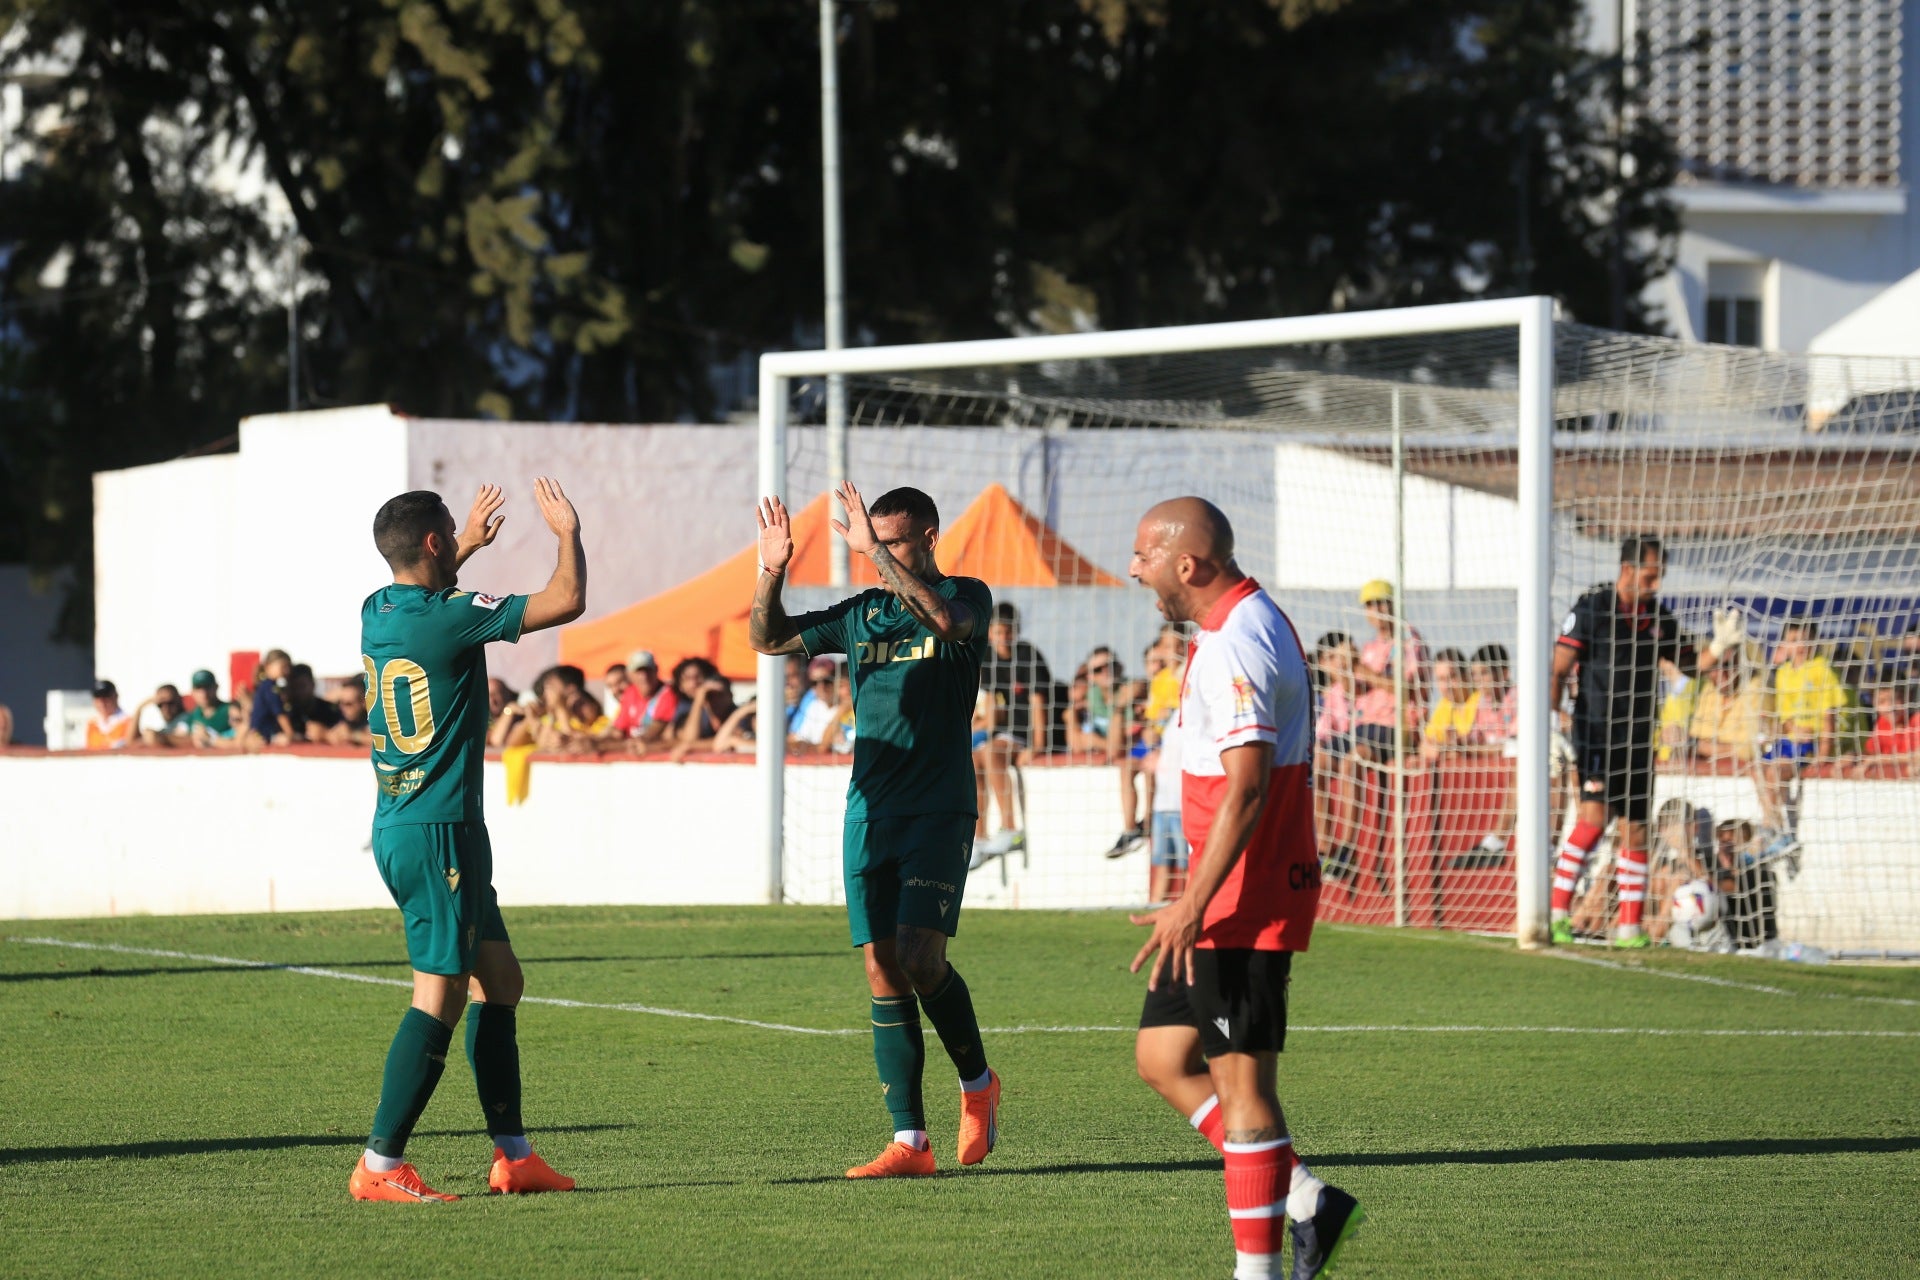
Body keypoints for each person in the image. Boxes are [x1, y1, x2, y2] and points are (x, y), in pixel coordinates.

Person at [1127, 497, 1362, 1280]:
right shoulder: (1234, 625)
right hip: (1220, 892)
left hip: (1243, 896)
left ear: (1187, 564)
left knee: (1243, 1087)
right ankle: (1305, 1197)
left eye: (1144, 556)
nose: (1134, 569)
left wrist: (1193, 904)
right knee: (1163, 1057)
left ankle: (1254, 1273)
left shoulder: (1237, 639)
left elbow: (1249, 787)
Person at [748, 481, 1001, 1180]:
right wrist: (771, 571)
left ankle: (978, 1083)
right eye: (873, 541)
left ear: (929, 537)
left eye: (892, 542)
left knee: (921, 956)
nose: (877, 553)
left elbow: (946, 623)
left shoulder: (967, 596)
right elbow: (767, 638)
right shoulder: (862, 615)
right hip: (869, 811)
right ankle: (910, 1142)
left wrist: (876, 557)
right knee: (882, 969)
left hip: (939, 808)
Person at [348, 478, 584, 1203]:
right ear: (431, 542)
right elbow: (565, 601)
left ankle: (515, 1158)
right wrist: (567, 533)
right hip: (437, 831)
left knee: (501, 981)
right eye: (450, 532)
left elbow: (434, 591)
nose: (459, 539)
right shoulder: (452, 614)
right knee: (440, 994)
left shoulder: (378, 608)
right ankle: (379, 1166)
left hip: (415, 823)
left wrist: (468, 546)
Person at [1549, 536, 1745, 948]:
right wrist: (1552, 720)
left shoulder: (1658, 617)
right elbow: (1559, 668)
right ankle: (1557, 915)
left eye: (1660, 577)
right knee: (1593, 821)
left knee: (1636, 830)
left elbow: (1689, 664)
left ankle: (1628, 929)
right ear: (1628, 570)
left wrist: (1718, 647)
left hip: (1639, 741)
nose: (1656, 585)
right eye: (1651, 576)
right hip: (1597, 735)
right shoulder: (1593, 609)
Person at [1756, 618, 1846, 860]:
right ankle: (1776, 828)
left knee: (1776, 772)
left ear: (1816, 642)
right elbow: (1784, 716)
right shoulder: (1784, 673)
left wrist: (1823, 754)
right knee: (1755, 769)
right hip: (1788, 742)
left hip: (1809, 743)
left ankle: (1772, 830)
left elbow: (1829, 717)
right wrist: (1789, 727)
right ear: (1785, 644)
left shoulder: (1822, 670)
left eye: (1806, 639)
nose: (1801, 645)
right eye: (1795, 640)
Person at [972, 601, 1051, 862]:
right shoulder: (988, 658)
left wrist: (1037, 744)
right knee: (973, 759)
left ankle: (1010, 829)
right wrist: (977, 727)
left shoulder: (1028, 655)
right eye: (998, 632)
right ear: (989, 632)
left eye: (1008, 632)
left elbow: (1039, 701)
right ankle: (979, 838)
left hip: (1026, 732)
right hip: (1004, 732)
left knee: (991, 752)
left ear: (1016, 631)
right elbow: (993, 705)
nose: (1003, 637)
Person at [180, 670, 239, 748]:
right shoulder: (193, 714)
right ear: (192, 691)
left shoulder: (231, 710)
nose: (204, 693)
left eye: (207, 687)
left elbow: (241, 741)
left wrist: (210, 739)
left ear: (216, 687)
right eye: (199, 688)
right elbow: (180, 736)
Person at [84, 680, 135, 750]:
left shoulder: (128, 722)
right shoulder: (92, 724)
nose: (102, 702)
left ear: (115, 696)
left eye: (106, 697)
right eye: (98, 698)